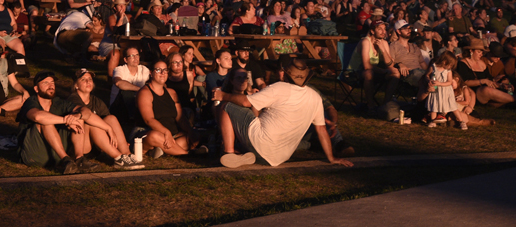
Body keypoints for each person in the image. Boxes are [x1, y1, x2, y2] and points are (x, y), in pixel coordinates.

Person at [216, 58, 354, 170]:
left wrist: (223, 95)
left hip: (259, 142)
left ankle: (229, 152)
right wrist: (331, 158)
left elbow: (246, 102)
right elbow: (321, 129)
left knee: (227, 106)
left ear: (286, 74)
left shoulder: (278, 88)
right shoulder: (315, 97)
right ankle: (248, 155)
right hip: (278, 158)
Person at [58, 67, 142, 169]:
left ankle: (126, 154)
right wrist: (108, 129)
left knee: (111, 118)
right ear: (76, 85)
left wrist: (120, 140)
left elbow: (110, 122)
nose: (88, 82)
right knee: (93, 122)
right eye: (83, 79)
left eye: (90, 79)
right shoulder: (73, 99)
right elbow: (88, 116)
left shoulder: (96, 101)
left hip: (96, 145)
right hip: (78, 145)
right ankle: (118, 158)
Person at [16, 71, 87, 174]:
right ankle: (65, 160)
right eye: (46, 83)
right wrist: (66, 120)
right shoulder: (31, 101)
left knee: (79, 116)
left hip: (53, 154)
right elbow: (37, 116)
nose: (51, 85)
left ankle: (80, 159)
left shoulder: (59, 102)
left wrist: (76, 117)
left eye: (52, 83)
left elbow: (86, 112)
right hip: (33, 154)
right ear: (36, 88)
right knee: (45, 121)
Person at [138, 59, 203, 158]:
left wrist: (190, 131)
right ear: (151, 73)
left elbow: (180, 117)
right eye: (158, 70)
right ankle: (188, 154)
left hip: (172, 134)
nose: (163, 73)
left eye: (165, 70)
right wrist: (166, 132)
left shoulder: (172, 92)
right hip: (150, 132)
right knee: (154, 136)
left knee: (194, 135)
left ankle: (162, 150)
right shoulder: (145, 92)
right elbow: (149, 120)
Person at [425, 50, 465, 129]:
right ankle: (433, 121)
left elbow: (449, 82)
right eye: (450, 65)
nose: (451, 67)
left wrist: (440, 83)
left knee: (453, 107)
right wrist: (429, 80)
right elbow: (427, 75)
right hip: (436, 91)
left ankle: (461, 121)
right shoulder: (433, 67)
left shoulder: (448, 71)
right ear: (444, 62)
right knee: (434, 106)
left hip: (446, 92)